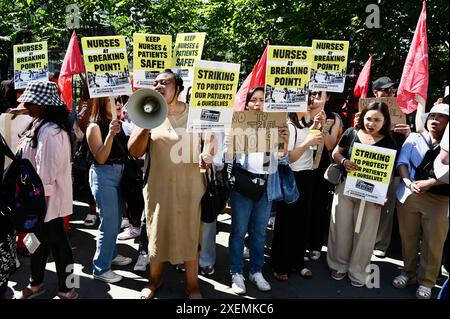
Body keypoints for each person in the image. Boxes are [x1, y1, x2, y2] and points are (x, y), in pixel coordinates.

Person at [128, 69, 213, 299]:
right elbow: (134, 151)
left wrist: (207, 155)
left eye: (164, 82)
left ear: (178, 87)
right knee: (157, 236)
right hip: (159, 189)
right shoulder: (147, 113)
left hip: (190, 189)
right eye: (155, 83)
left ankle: (192, 286)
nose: (158, 86)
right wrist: (146, 124)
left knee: (190, 238)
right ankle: (154, 281)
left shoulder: (195, 115)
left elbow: (208, 143)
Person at [13, 81, 77, 299]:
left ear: (43, 105)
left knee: (61, 247)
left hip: (47, 202)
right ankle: (36, 283)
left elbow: (46, 175)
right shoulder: (40, 123)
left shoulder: (50, 132)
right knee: (38, 244)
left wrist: (37, 206)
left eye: (30, 102)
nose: (26, 105)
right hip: (39, 200)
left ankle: (68, 288)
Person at [327, 101, 397, 287]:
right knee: (340, 226)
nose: (371, 123)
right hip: (345, 187)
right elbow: (336, 153)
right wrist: (343, 162)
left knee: (366, 232)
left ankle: (358, 270)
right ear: (362, 117)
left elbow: (389, 171)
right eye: (368, 118)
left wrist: (384, 194)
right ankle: (338, 265)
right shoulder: (351, 132)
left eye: (377, 120)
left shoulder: (389, 141)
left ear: (385, 121)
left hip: (373, 193)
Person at [227, 86, 289, 294]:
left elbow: (281, 156)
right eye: (254, 100)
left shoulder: (276, 125)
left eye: (262, 100)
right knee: (238, 231)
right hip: (244, 184)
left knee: (260, 233)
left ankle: (256, 271)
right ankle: (236, 273)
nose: (258, 104)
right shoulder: (239, 124)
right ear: (247, 103)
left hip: (266, 186)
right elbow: (228, 157)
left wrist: (285, 140)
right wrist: (230, 142)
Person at [393, 103, 449, 299]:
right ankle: (407, 272)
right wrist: (409, 183)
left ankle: (427, 281)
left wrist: (429, 183)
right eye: (432, 116)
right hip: (410, 195)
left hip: (439, 199)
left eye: (441, 117)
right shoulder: (415, 137)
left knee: (433, 243)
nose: (435, 120)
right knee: (408, 237)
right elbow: (402, 162)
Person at [271, 108, 323, 282]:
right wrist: (307, 142)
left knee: (302, 222)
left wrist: (315, 127)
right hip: (292, 176)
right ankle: (280, 265)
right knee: (287, 223)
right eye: (307, 100)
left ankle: (297, 263)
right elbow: (288, 158)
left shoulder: (306, 123)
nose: (311, 103)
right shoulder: (288, 126)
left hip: (307, 175)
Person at [86, 95, 132, 283]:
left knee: (116, 218)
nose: (118, 104)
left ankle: (111, 255)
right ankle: (100, 267)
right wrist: (111, 135)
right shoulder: (94, 127)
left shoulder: (119, 123)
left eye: (119, 100)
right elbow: (101, 158)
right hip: (104, 174)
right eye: (112, 101)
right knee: (109, 224)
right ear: (100, 104)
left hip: (120, 174)